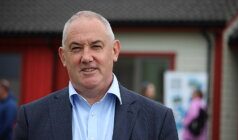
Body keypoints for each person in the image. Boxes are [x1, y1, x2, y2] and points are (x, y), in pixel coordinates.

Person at [13, 11, 178, 140]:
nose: (86, 57)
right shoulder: (32, 118)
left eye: (96, 46)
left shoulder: (158, 119)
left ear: (114, 51)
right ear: (63, 57)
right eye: (76, 48)